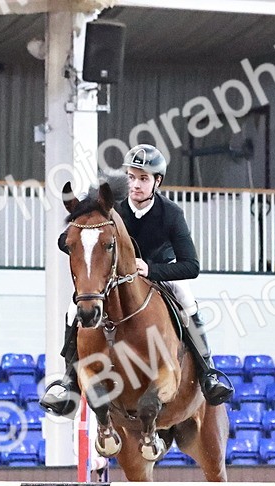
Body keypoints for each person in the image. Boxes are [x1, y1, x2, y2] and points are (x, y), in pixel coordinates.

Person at [40, 144, 234, 417]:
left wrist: (151, 269)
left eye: (143, 179)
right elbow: (71, 239)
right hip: (116, 279)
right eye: (131, 177)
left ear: (157, 181)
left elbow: (191, 265)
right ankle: (69, 380)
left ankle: (207, 372)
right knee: (75, 309)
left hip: (161, 272)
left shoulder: (170, 213)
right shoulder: (111, 208)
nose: (136, 185)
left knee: (188, 303)